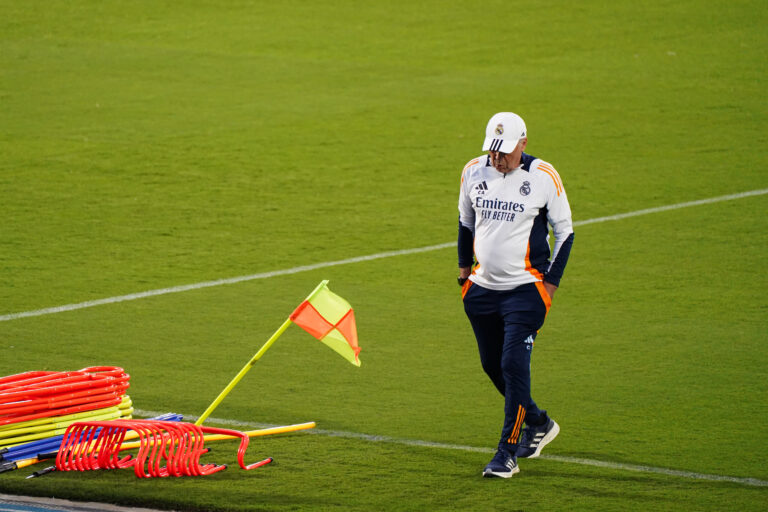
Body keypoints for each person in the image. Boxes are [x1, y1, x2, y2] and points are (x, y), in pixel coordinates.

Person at [457, 112, 574, 478]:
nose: (497, 157)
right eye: (493, 149)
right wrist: (464, 275)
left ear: (523, 143)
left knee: (512, 365)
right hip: (481, 290)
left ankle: (506, 452)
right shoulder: (473, 171)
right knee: (492, 365)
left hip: (526, 292)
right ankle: (538, 421)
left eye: (505, 151)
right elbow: (465, 222)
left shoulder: (542, 176)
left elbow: (565, 231)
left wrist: (549, 285)